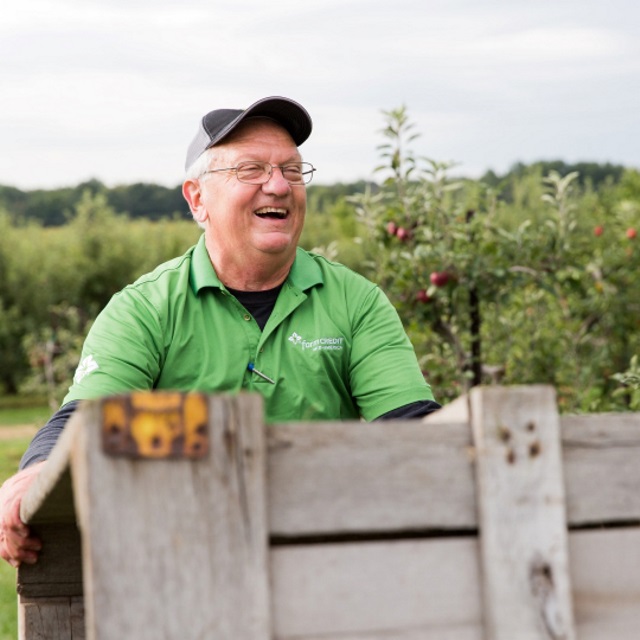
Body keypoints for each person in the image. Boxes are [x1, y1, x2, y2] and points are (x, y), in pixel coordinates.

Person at [0, 96, 440, 568]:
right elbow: (84, 421)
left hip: (318, 558)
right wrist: (33, 474)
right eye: (251, 169)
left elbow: (411, 427)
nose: (278, 186)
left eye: (292, 170)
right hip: (182, 563)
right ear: (197, 199)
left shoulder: (355, 302)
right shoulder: (145, 309)